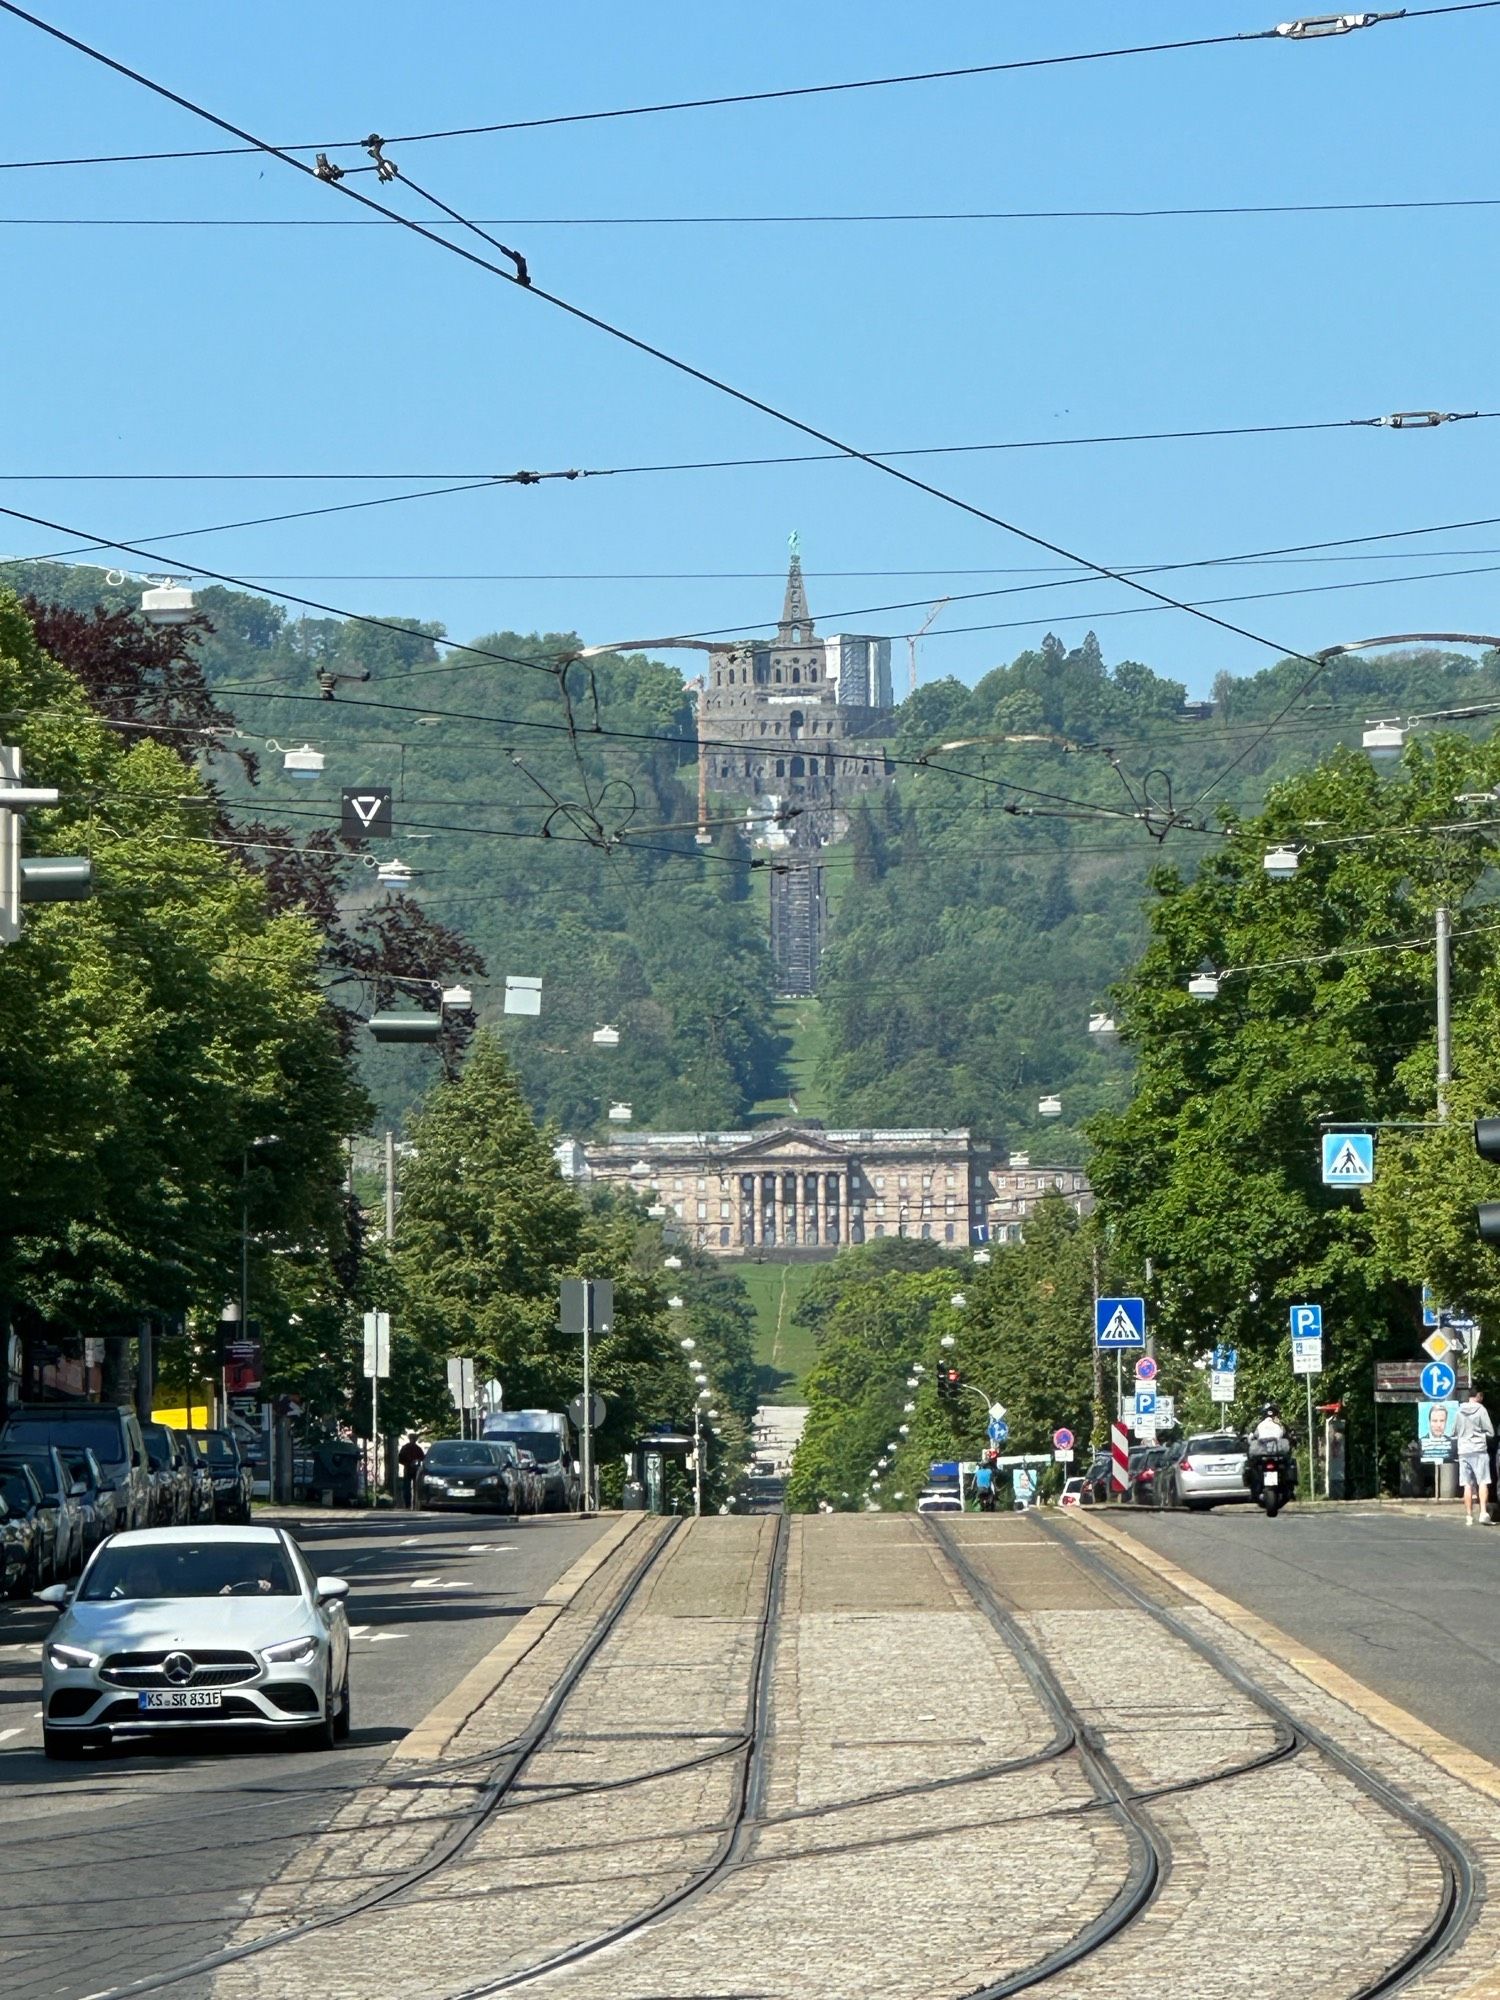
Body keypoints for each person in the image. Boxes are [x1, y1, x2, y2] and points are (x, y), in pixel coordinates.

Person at [1454, 1390, 1493, 1525]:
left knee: (1467, 1485)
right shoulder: (1481, 1410)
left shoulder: (1459, 1411)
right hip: (1479, 1450)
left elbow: (1454, 1431)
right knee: (1483, 1481)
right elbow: (1491, 1431)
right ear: (1478, 1396)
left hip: (1463, 1451)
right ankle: (1483, 1512)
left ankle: (1469, 1516)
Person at [397, 1433, 425, 1510]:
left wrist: (408, 1463)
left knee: (409, 1487)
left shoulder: (408, 1448)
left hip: (411, 1469)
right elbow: (422, 1458)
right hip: (411, 1469)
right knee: (410, 1488)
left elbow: (400, 1458)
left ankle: (410, 1504)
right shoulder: (416, 1448)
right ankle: (410, 1504)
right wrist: (411, 1463)